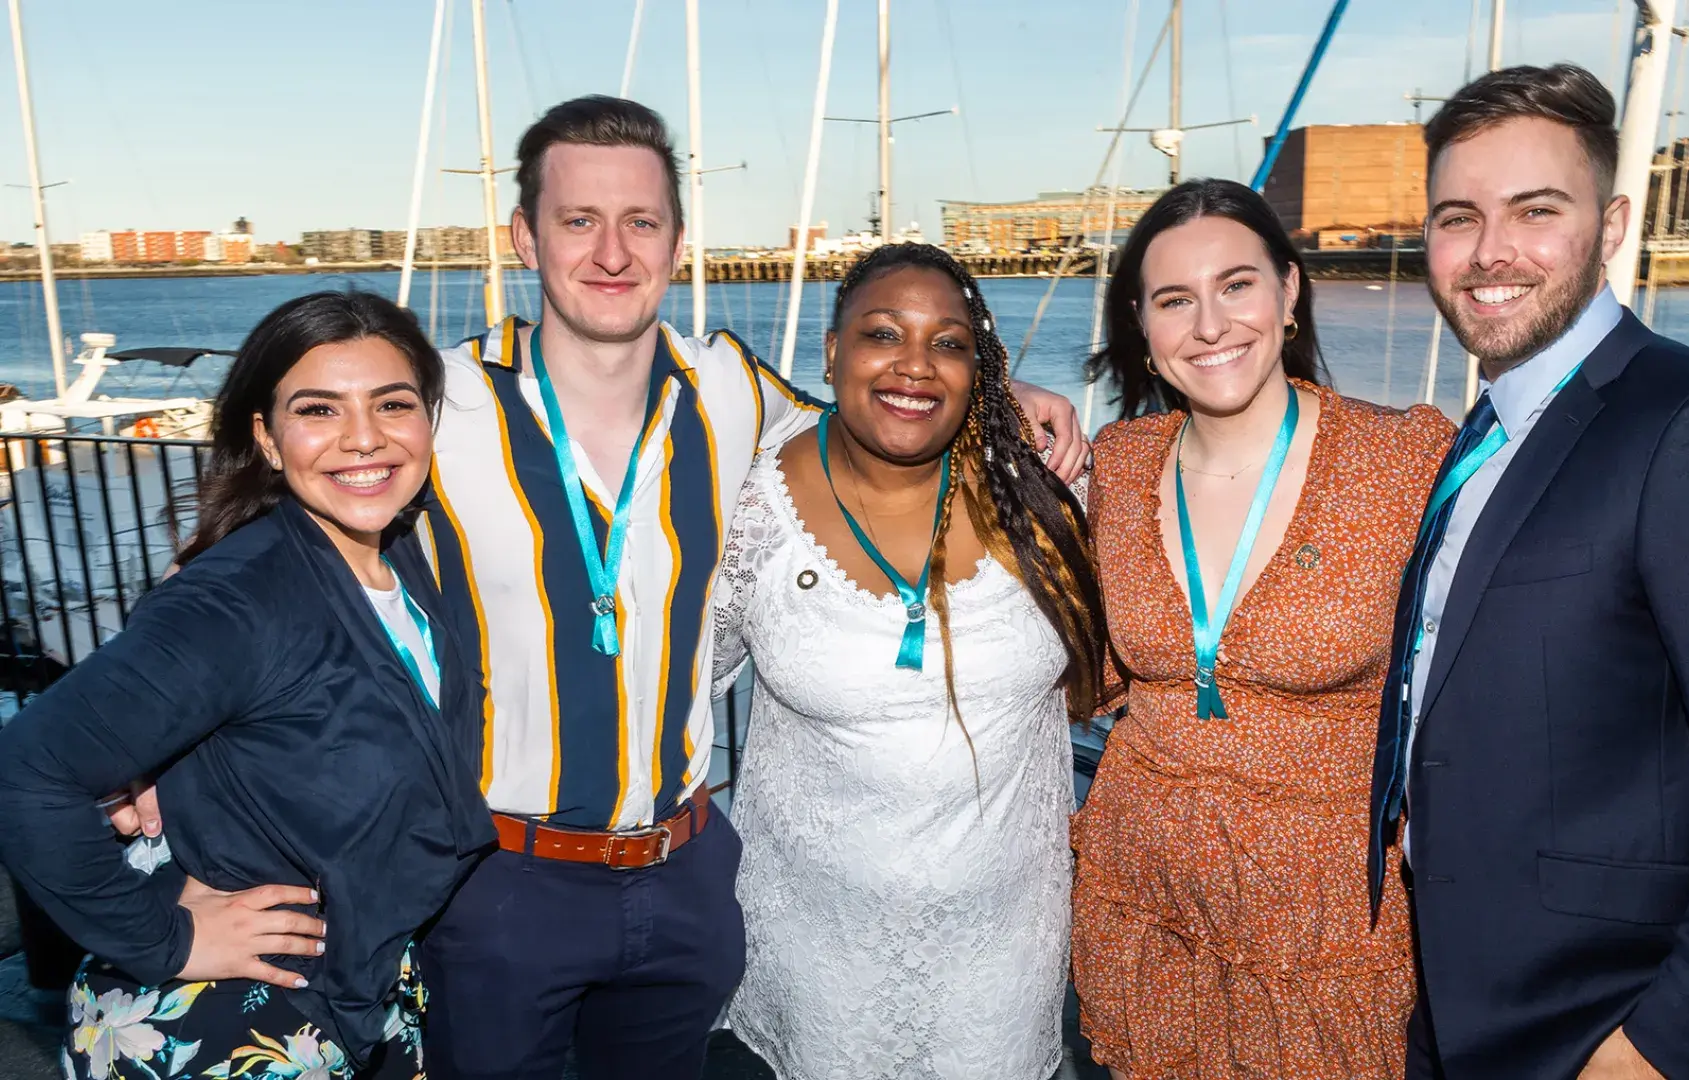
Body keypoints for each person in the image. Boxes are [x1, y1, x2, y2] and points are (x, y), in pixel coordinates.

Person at [402, 96, 1087, 1080]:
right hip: (507, 885)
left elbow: (878, 409)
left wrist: (996, 392)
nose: (610, 251)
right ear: (523, 237)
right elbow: (278, 557)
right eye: (577, 220)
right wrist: (176, 752)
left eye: (639, 222)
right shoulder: (431, 402)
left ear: (676, 243)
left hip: (684, 882)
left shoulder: (730, 392)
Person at [1364, 64, 1689, 1080]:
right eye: (1457, 217)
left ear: (1610, 225)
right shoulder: (1489, 430)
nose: (1489, 252)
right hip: (1460, 1006)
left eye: (1535, 211)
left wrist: (1667, 1048)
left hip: (1605, 1031)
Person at [0, 291, 495, 1080]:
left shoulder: (394, 554)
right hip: (230, 1027)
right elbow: (27, 768)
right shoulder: (237, 596)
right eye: (319, 410)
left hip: (355, 993)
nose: (363, 438)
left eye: (392, 404)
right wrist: (170, 938)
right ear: (267, 438)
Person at [1070, 178, 1456, 1079]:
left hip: (1321, 945)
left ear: (1288, 293)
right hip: (1143, 914)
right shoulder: (1119, 469)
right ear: (1142, 324)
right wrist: (1008, 398)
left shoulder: (1403, 462)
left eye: (1236, 285)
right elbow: (1092, 675)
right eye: (1175, 300)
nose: (1210, 325)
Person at [709, 243, 1105, 1079]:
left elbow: (1124, 659)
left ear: (981, 367)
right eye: (883, 334)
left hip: (1001, 961)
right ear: (831, 350)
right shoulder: (749, 502)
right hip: (814, 952)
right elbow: (671, 691)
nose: (915, 366)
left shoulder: (1042, 489)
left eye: (949, 343)